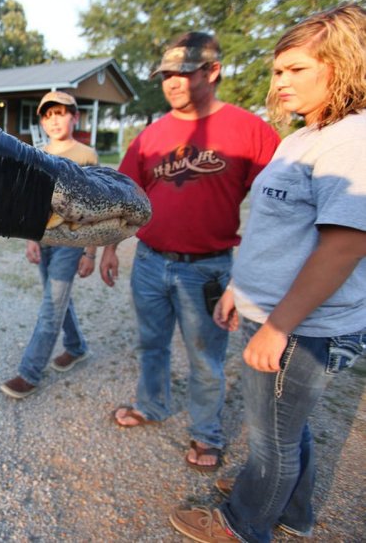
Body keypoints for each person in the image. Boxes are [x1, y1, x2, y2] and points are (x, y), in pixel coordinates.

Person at [169, 4, 366, 542]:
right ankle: (294, 511)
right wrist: (240, 287)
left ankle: (244, 525)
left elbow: (345, 245)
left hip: (304, 327)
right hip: (274, 310)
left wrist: (278, 325)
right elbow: (275, 231)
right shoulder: (304, 135)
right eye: (278, 70)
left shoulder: (351, 141)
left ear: (345, 65)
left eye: (298, 69)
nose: (280, 82)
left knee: (271, 439)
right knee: (286, 430)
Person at [100, 32, 281, 472]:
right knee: (152, 344)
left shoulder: (251, 131)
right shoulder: (150, 137)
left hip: (209, 269)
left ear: (212, 71)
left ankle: (207, 435)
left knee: (206, 359)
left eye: (183, 72)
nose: (173, 82)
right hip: (149, 261)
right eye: (166, 75)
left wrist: (243, 281)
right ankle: (152, 404)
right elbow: (124, 196)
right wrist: (107, 248)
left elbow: (277, 210)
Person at [0, 91, 98, 399]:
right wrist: (31, 240)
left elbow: (96, 208)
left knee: (50, 310)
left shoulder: (86, 156)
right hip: (44, 241)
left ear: (75, 116)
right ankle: (77, 347)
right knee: (56, 300)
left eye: (61, 113)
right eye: (48, 115)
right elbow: (33, 204)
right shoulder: (37, 153)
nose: (54, 120)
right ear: (42, 121)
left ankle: (30, 372)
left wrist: (90, 252)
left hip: (72, 243)